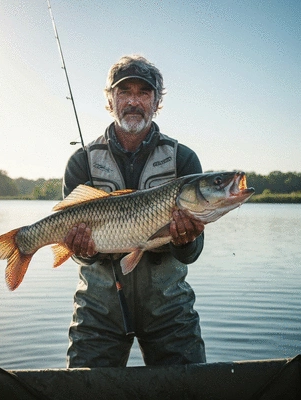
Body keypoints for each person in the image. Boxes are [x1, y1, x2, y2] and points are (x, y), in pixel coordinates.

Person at [63, 55, 206, 368]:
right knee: (83, 390)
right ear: (110, 100)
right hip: (98, 309)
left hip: (170, 307)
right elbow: (78, 252)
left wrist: (186, 239)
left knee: (191, 388)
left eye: (144, 93)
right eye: (124, 92)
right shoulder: (81, 161)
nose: (133, 101)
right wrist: (82, 250)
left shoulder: (184, 159)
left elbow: (191, 253)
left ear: (156, 102)